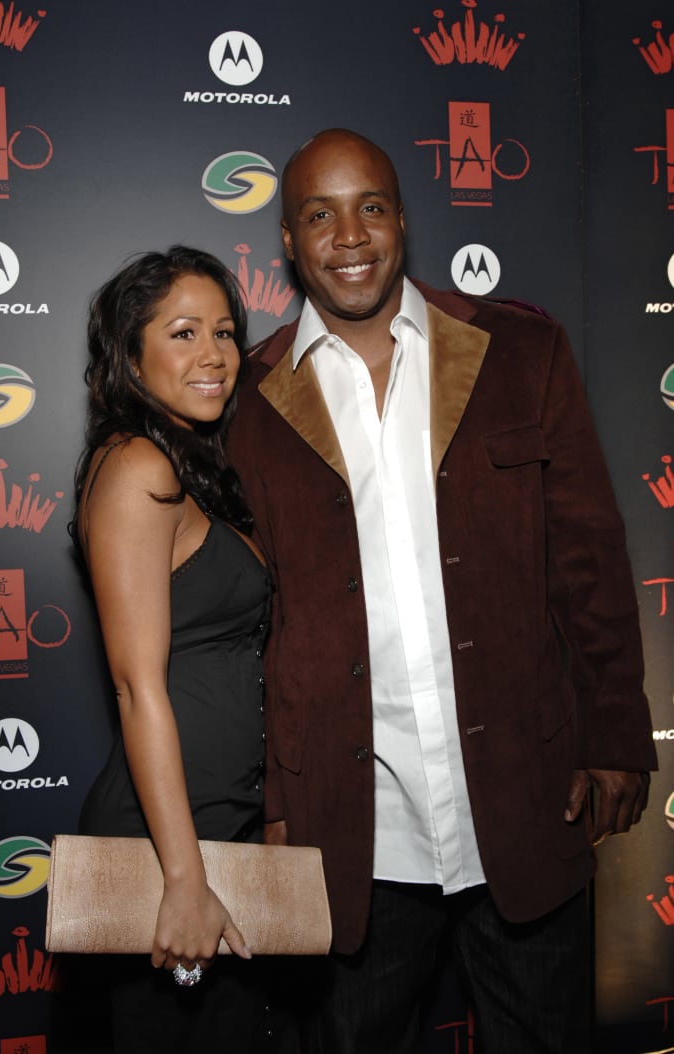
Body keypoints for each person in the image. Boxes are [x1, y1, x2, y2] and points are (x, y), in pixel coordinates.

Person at [227, 130, 657, 1054]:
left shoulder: (518, 350)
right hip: (352, 835)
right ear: (290, 243)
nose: (350, 236)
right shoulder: (251, 401)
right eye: (320, 214)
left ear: (404, 220)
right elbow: (246, 631)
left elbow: (588, 558)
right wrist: (270, 807)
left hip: (528, 802)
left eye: (370, 207)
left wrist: (617, 733)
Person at [70, 246, 274, 1053]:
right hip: (165, 850)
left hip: (225, 829)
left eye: (225, 332)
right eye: (183, 333)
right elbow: (135, 688)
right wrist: (183, 879)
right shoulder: (137, 466)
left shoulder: (197, 465)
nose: (214, 355)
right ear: (129, 354)